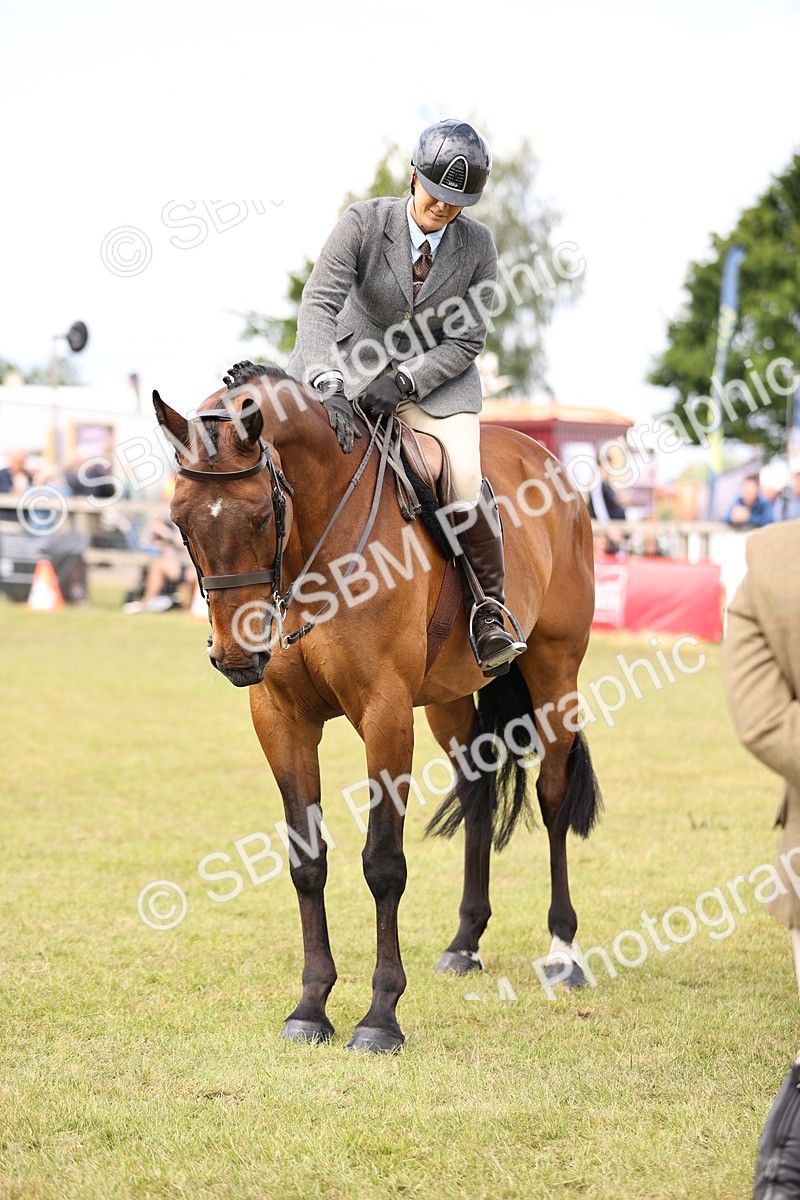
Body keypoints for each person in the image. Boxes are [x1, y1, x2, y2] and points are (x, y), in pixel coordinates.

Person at [287, 118, 526, 677]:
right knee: (286, 460)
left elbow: (468, 337)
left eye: (455, 201)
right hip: (344, 368)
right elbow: (319, 302)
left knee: (463, 478)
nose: (442, 208)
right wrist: (327, 382)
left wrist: (409, 380)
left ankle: (489, 612)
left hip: (433, 385)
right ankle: (264, 596)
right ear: (414, 176)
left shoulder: (478, 246)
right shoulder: (363, 223)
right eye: (436, 193)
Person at [723, 522, 800, 1196]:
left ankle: (490, 608)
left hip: (438, 410)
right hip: (370, 413)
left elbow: (760, 718)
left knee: (455, 481)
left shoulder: (770, 560)